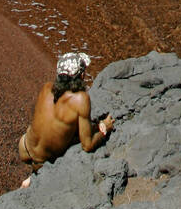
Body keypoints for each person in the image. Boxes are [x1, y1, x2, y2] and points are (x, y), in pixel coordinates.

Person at [18, 52, 113, 187]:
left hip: (25, 146)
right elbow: (87, 145)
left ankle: (32, 175)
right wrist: (105, 128)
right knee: (76, 141)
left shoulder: (47, 87)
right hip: (43, 161)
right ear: (81, 75)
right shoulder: (81, 99)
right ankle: (33, 179)